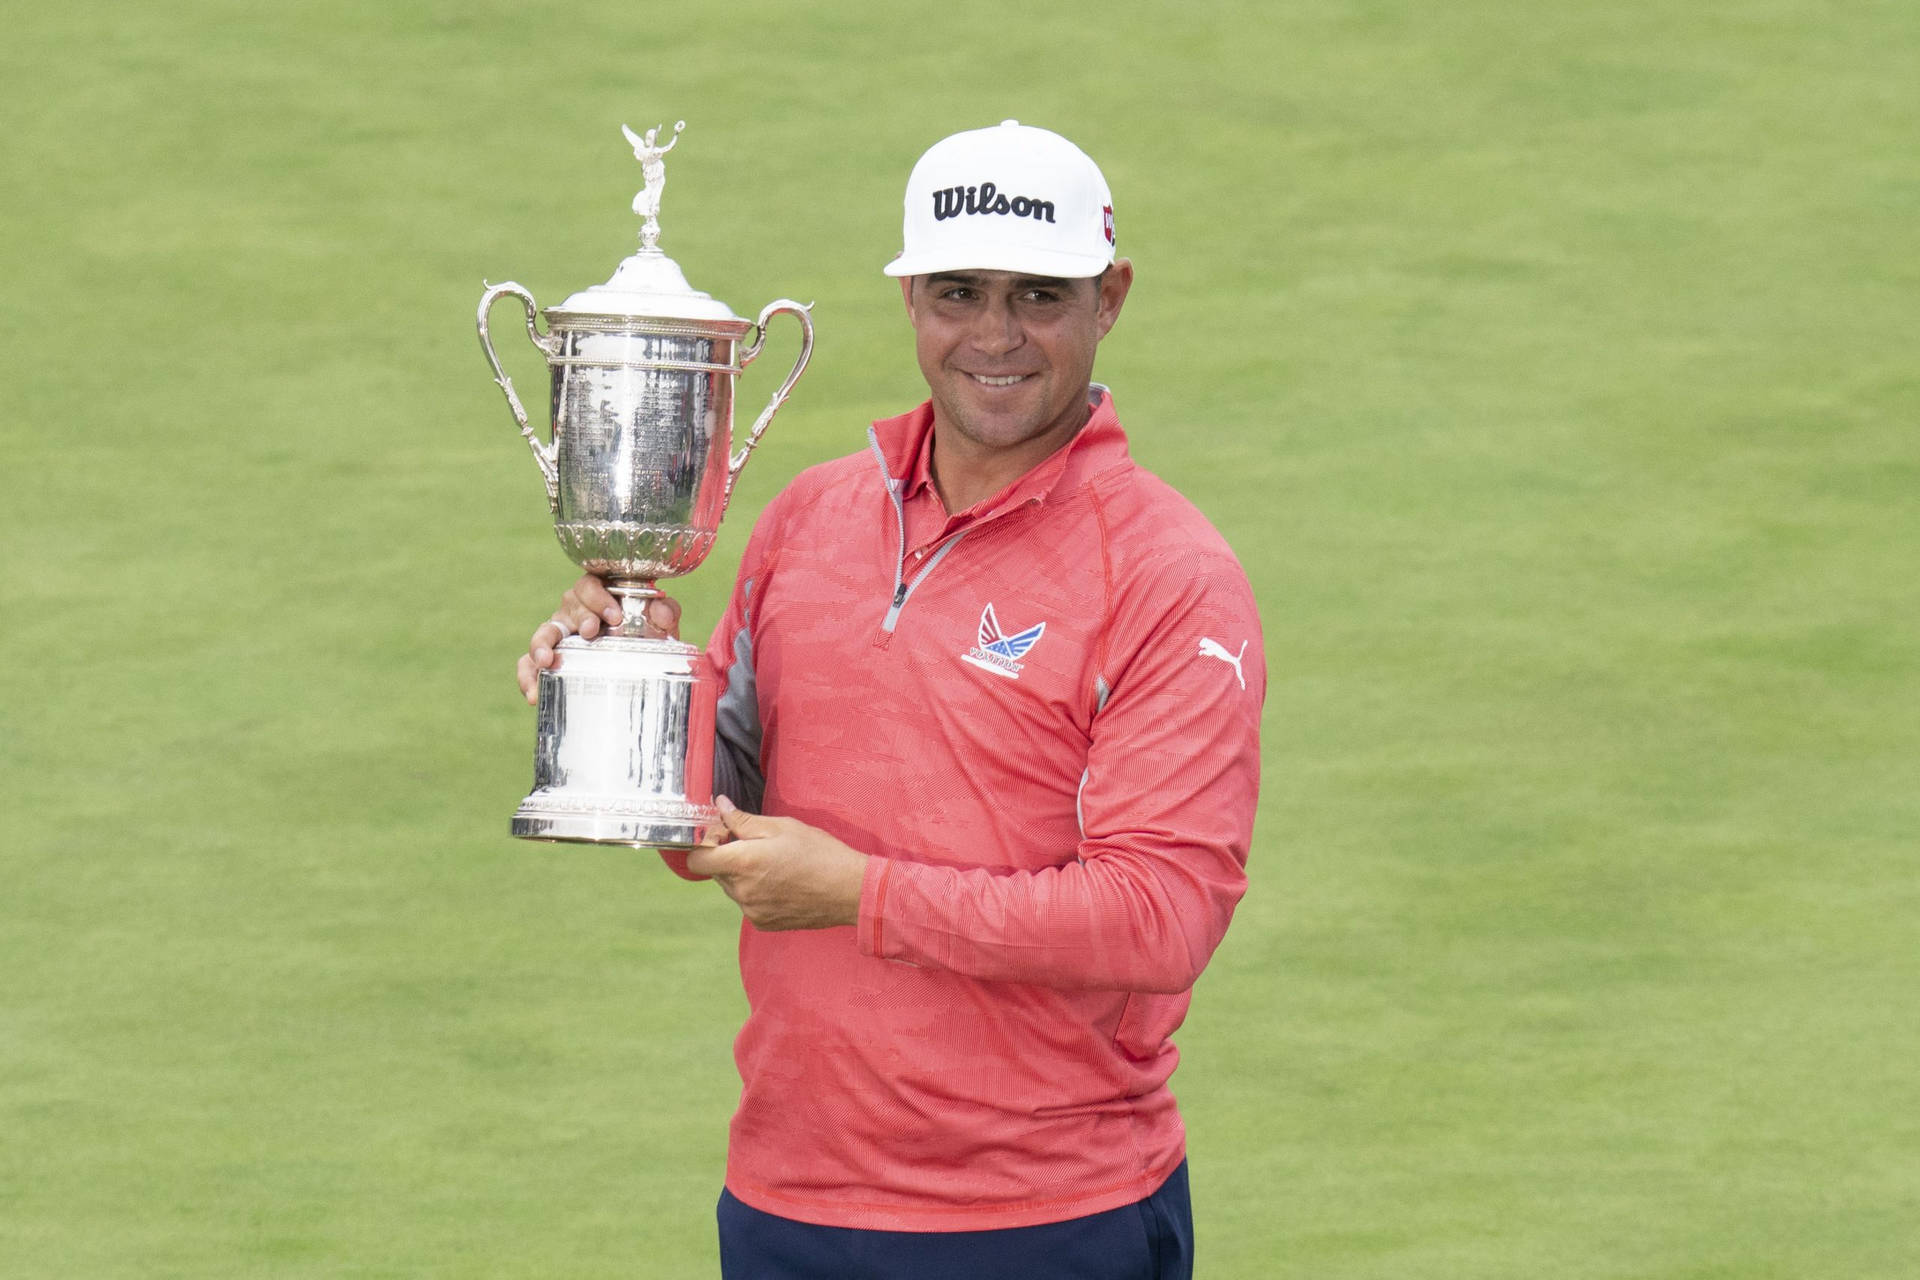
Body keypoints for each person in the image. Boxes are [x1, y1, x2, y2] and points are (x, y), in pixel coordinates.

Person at [517, 120, 1265, 1279]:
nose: (996, 336)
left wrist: (860, 893)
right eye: (959, 292)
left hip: (1042, 1218)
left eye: (1040, 295)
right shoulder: (810, 519)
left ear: (1109, 296)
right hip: (785, 1199)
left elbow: (1161, 915)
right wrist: (629, 670)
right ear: (911, 294)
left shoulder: (1169, 571)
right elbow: (706, 828)